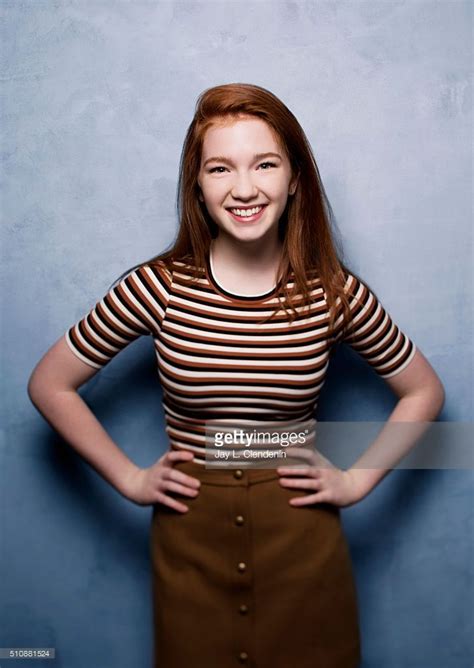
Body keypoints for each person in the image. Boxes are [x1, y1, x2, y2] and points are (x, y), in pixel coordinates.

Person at [28, 83, 445, 668]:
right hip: (188, 537)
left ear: (295, 177)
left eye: (265, 164)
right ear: (197, 186)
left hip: (303, 536)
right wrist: (129, 478)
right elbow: (49, 383)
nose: (244, 188)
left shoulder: (333, 295)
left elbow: (425, 393)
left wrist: (354, 483)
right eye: (220, 168)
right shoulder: (159, 289)